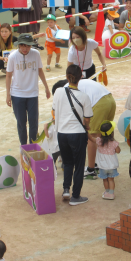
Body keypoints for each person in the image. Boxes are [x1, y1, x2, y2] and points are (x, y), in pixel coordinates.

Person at [52, 75, 116, 179]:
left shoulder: (66, 90)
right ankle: (107, 165)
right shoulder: (76, 84)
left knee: (91, 136)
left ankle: (91, 170)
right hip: (110, 100)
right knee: (105, 133)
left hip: (99, 103)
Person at [52, 65, 93, 206]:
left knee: (67, 162)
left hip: (62, 134)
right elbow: (87, 119)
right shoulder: (84, 96)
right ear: (80, 77)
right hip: (77, 134)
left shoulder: (58, 91)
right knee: (79, 165)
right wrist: (87, 127)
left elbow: (54, 109)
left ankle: (66, 190)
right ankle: (76, 196)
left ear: (66, 76)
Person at [6, 33, 51, 145]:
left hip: (32, 94)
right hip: (17, 94)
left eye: (28, 46)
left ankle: (33, 145)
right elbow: (8, 75)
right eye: (22, 46)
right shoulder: (12, 56)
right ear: (18, 45)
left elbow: (40, 71)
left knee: (33, 122)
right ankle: (23, 145)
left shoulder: (36, 54)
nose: (25, 48)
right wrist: (8, 94)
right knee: (21, 122)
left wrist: (46, 87)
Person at [96, 121, 120, 200]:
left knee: (105, 180)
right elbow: (118, 151)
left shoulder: (99, 141)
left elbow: (92, 140)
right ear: (112, 133)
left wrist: (87, 134)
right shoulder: (114, 143)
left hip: (102, 166)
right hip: (112, 166)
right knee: (111, 179)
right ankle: (111, 194)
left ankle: (107, 192)